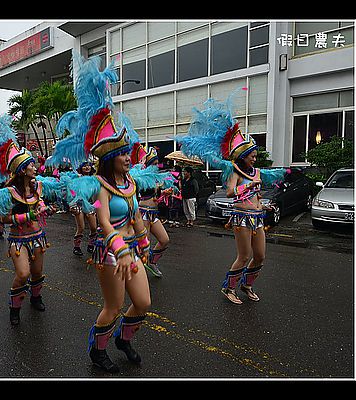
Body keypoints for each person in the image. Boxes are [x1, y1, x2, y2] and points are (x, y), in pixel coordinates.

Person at [52, 52, 152, 373]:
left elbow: (135, 213)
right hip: (111, 251)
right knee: (113, 305)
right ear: (110, 158)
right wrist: (121, 246)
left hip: (131, 250)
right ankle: (98, 350)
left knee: (144, 303)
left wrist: (143, 239)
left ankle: (124, 338)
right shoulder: (99, 185)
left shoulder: (129, 180)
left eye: (128, 152)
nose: (128, 157)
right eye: (123, 153)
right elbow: (105, 221)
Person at [175, 92, 285, 305]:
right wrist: (249, 188)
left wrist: (264, 204)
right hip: (241, 217)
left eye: (255, 155)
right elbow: (230, 194)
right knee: (243, 256)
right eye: (252, 155)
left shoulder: (257, 173)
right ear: (243, 156)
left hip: (257, 217)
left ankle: (247, 284)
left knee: (260, 255)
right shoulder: (235, 172)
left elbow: (257, 195)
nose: (255, 157)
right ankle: (229, 287)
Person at [0, 114, 58, 326]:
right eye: (32, 164)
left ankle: (35, 297)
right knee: (23, 274)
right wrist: (30, 215)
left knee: (37, 273)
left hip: (38, 237)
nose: (35, 167)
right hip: (18, 239)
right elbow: (4, 219)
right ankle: (14, 308)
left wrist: (45, 209)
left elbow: (39, 205)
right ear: (23, 170)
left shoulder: (37, 187)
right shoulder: (8, 193)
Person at [131, 145, 171, 278]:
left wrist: (164, 192)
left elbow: (156, 196)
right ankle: (138, 275)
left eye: (157, 163)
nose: (156, 166)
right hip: (143, 212)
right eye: (153, 163)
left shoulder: (156, 177)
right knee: (144, 244)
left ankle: (152, 262)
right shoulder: (141, 177)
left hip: (154, 213)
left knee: (164, 240)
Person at [70, 160, 98, 256]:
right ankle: (76, 247)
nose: (87, 167)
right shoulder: (76, 178)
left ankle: (91, 245)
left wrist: (97, 206)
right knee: (81, 227)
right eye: (84, 166)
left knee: (94, 227)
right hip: (79, 205)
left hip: (90, 204)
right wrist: (74, 200)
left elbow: (97, 194)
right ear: (80, 168)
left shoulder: (94, 179)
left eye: (88, 165)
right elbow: (72, 192)